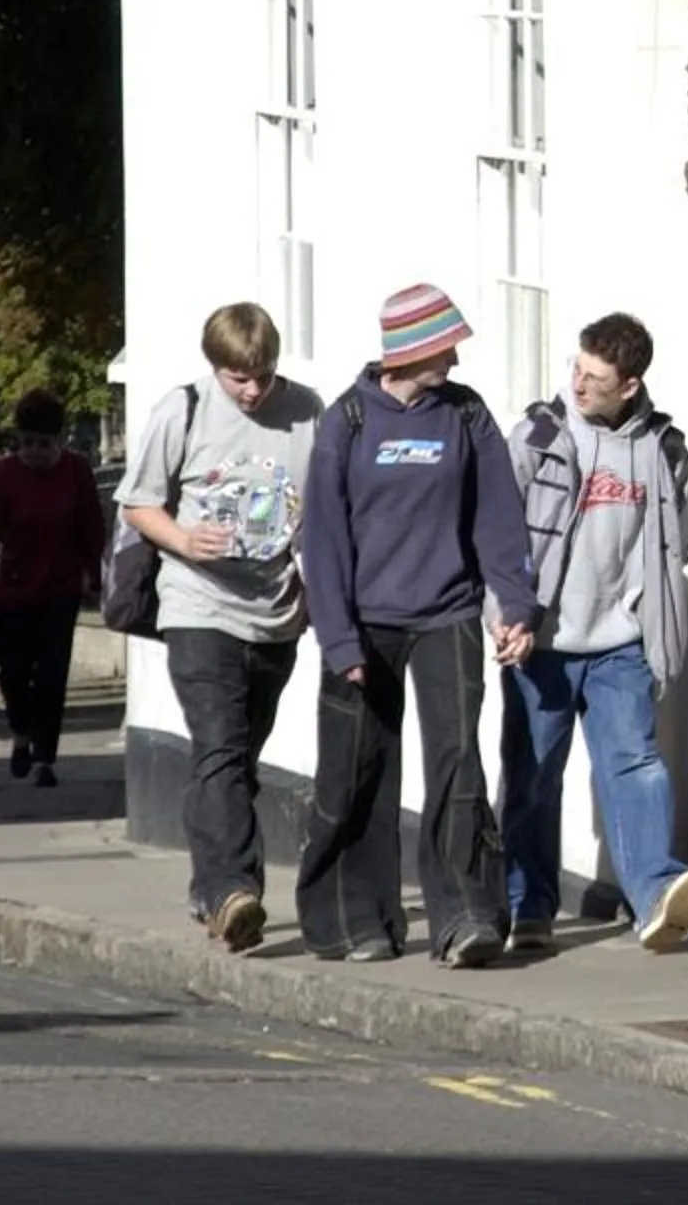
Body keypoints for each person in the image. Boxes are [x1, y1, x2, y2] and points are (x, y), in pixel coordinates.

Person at [295, 283, 537, 969]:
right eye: (445, 348)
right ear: (410, 351)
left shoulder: (465, 417)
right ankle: (354, 920)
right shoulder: (348, 421)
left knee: (459, 766)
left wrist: (513, 606)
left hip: (448, 615)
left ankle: (466, 917)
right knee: (358, 772)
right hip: (365, 625)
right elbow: (325, 538)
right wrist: (338, 637)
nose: (456, 361)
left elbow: (497, 515)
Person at [500, 313, 688, 955]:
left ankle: (654, 897)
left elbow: (678, 536)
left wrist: (653, 620)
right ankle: (528, 906)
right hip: (544, 642)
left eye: (595, 377)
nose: (579, 383)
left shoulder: (663, 449)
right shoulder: (540, 437)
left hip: (620, 641)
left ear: (631, 385)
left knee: (637, 765)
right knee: (533, 777)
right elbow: (499, 534)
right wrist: (507, 615)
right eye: (577, 370)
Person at [117, 302, 323, 953]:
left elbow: (321, 509)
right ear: (216, 368)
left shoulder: (307, 412)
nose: (254, 390)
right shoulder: (183, 411)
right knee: (219, 745)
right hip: (197, 603)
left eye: (262, 376)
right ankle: (234, 890)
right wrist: (182, 538)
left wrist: (317, 584)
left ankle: (214, 888)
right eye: (240, 378)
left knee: (240, 756)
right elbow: (138, 503)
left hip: (274, 612)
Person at [0, 390, 107, 790]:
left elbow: (91, 529)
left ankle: (44, 757)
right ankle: (21, 732)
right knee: (12, 671)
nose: (35, 453)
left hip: (61, 589)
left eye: (44, 444)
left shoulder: (76, 472)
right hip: (13, 589)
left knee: (53, 674)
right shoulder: (3, 476)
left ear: (58, 440)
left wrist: (95, 576)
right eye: (27, 443)